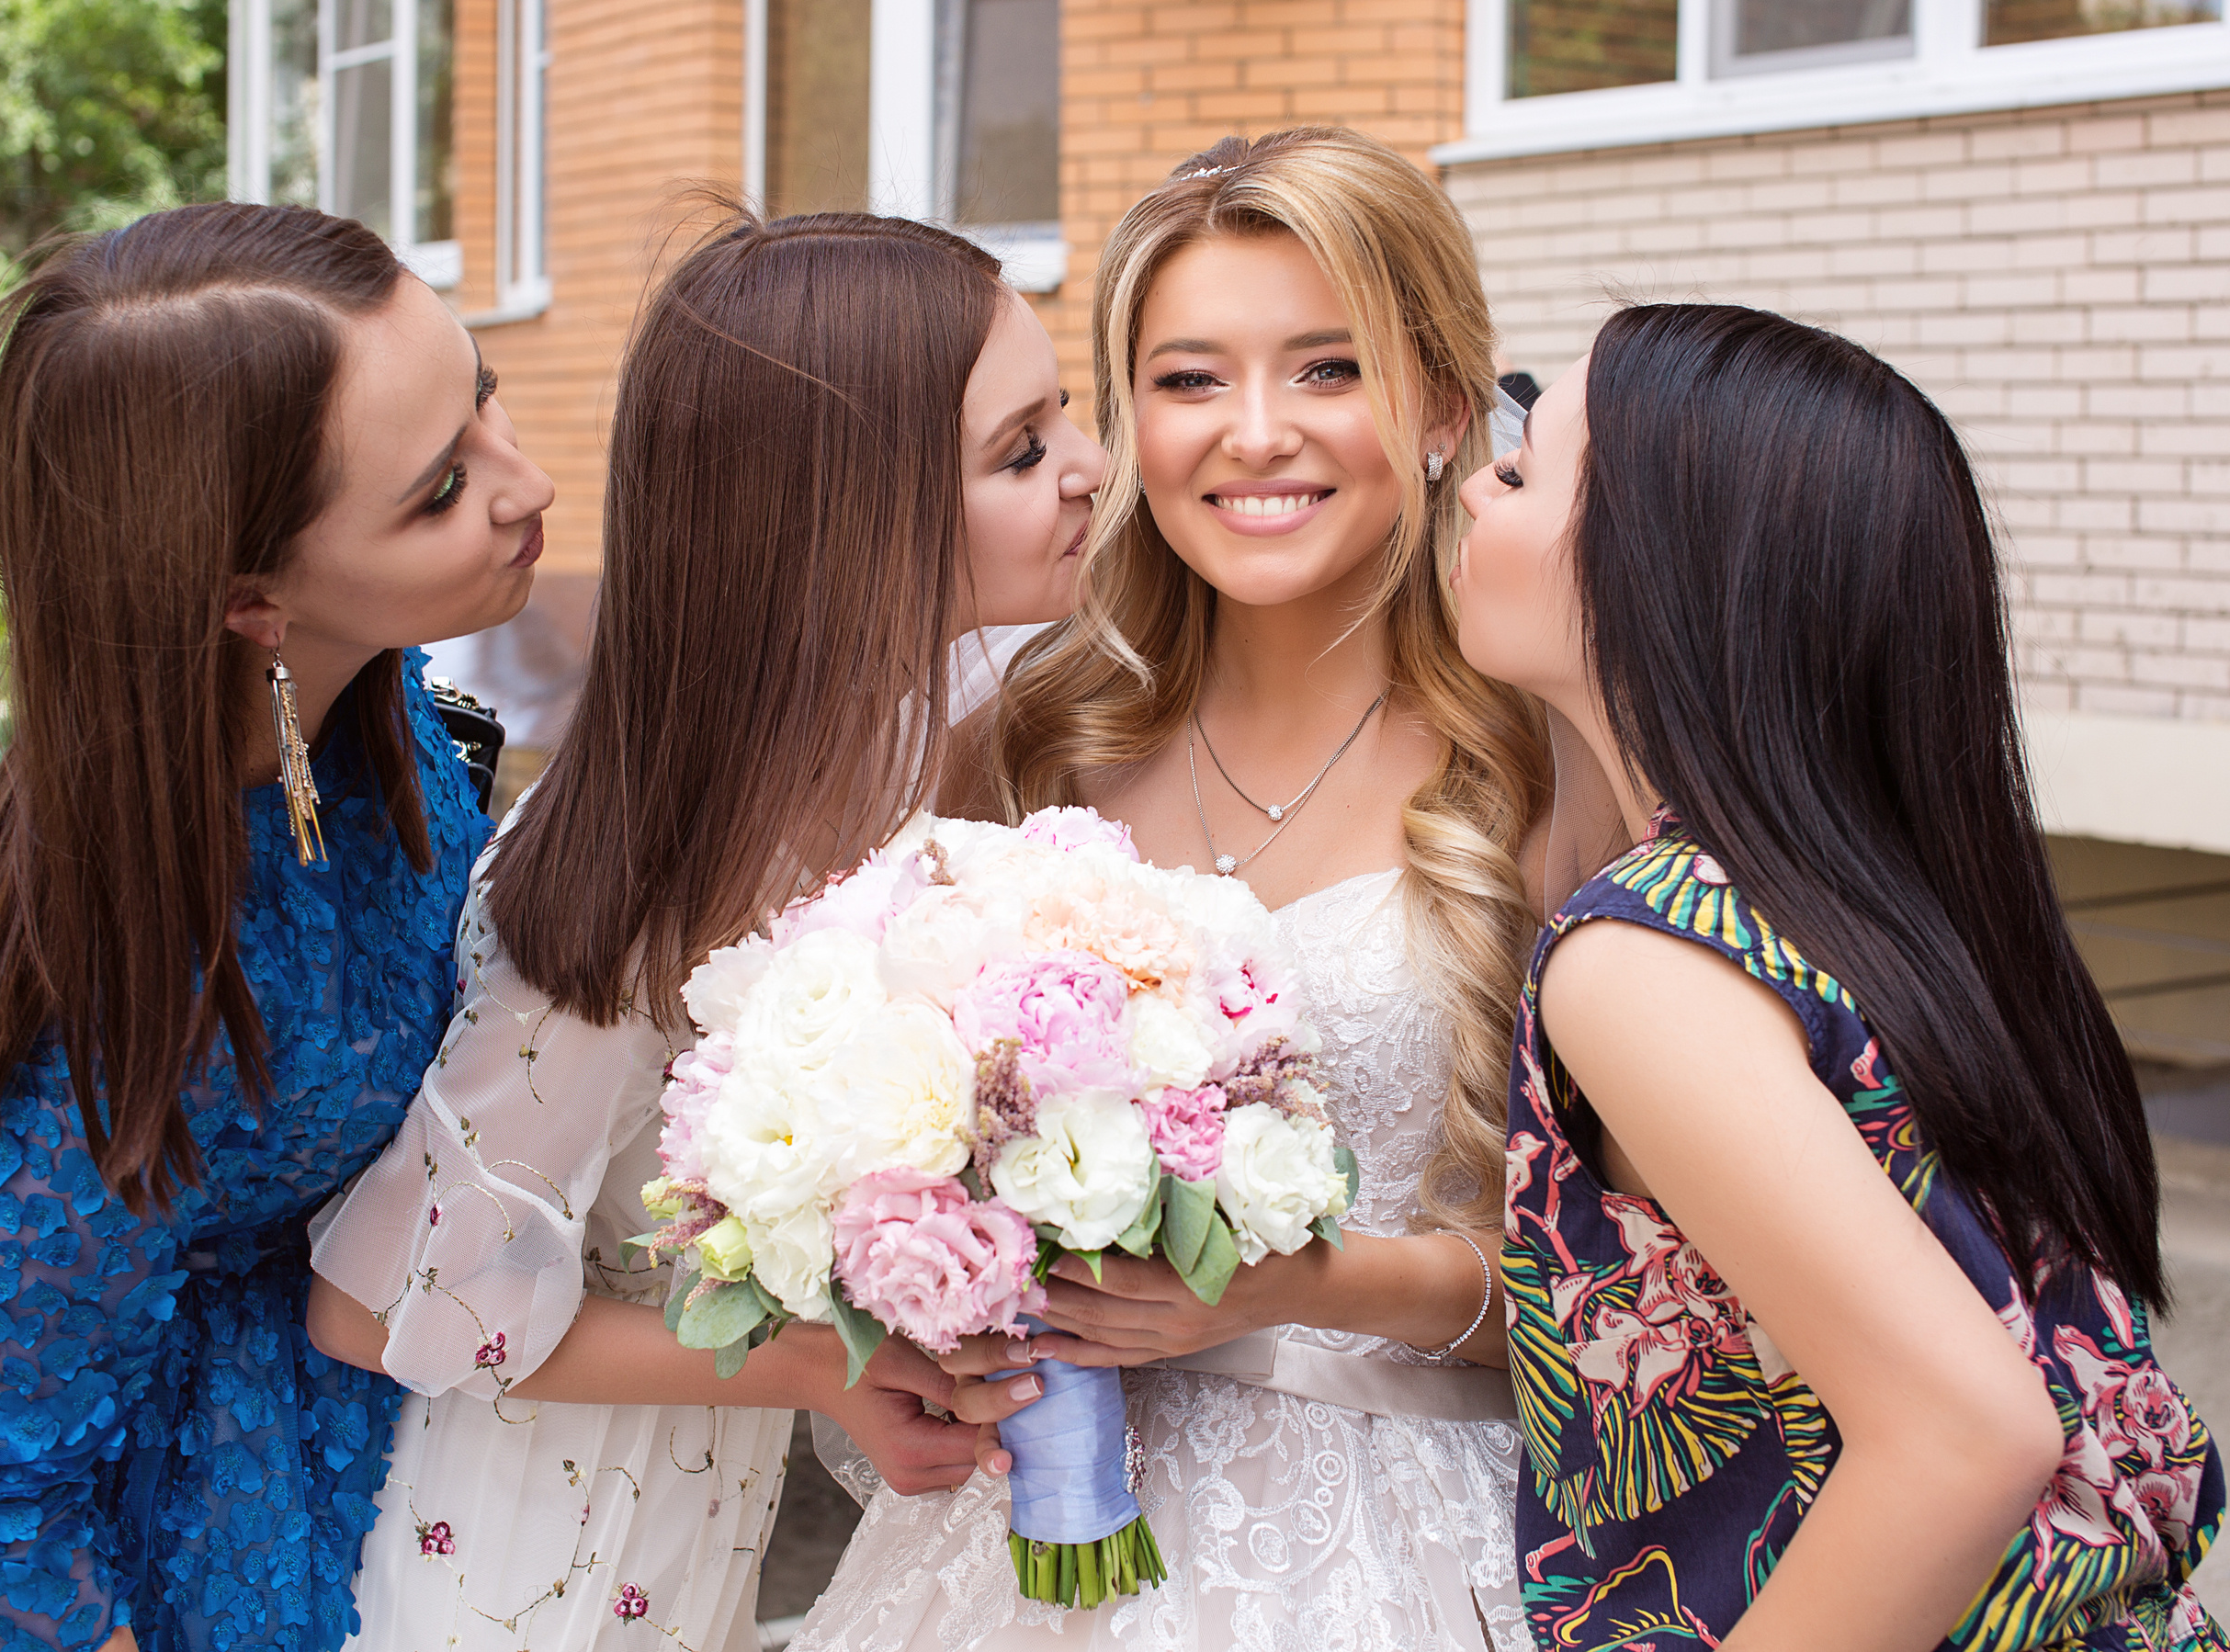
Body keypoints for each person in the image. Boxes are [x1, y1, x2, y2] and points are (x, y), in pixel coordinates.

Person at [301, 207, 1110, 1652]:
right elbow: (388, 1310)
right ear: (850, 514)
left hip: (697, 1549)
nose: (1088, 470)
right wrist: (809, 1366)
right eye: (1023, 449)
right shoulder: (638, 877)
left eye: (1067, 422)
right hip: (522, 1577)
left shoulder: (915, 760)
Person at [796, 127, 1551, 1652]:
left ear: (1444, 408)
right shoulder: (1028, 734)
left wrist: (1306, 1282)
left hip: (1385, 1547)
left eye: (1328, 370)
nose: (1253, 434)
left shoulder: (1544, 766)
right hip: (1005, 1546)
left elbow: (1636, 1286)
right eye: (1191, 378)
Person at [1455, 302, 2227, 1648]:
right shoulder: (1869, 899)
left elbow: (1966, 1435)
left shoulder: (1642, 955)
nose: (1473, 482)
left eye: (1521, 471)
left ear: (1658, 573)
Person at [0, 202, 553, 1652]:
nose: (527, 482)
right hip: (162, 1498)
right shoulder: (142, 992)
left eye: (485, 394)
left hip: (371, 1374)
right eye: (439, 488)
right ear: (251, 599)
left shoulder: (367, 697)